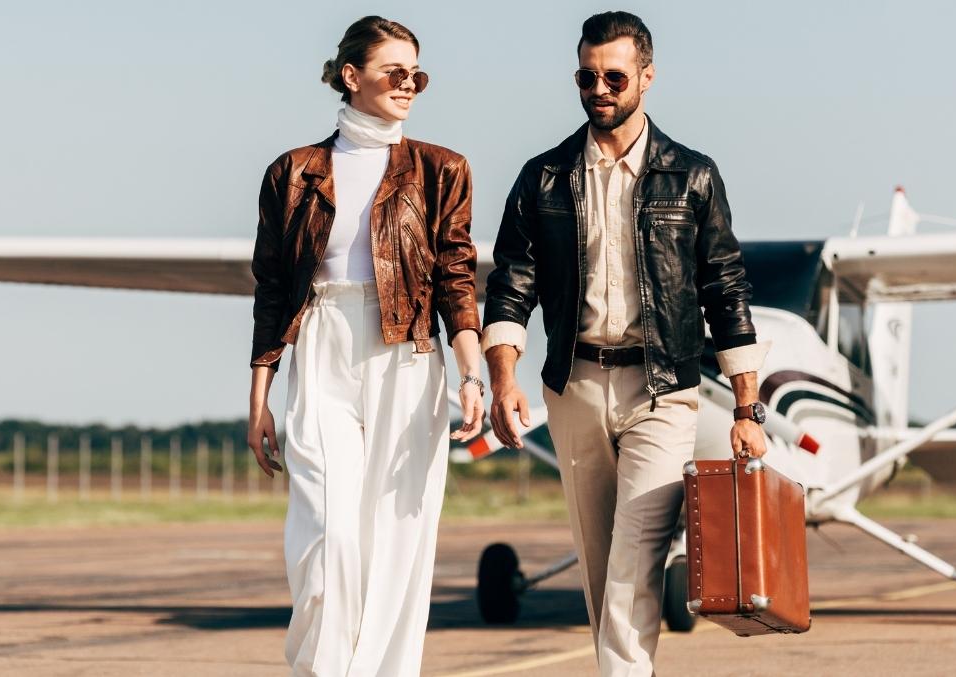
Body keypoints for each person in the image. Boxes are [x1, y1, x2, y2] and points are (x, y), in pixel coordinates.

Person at [482, 11, 770, 675]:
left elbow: (725, 288)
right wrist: (503, 381)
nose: (599, 88)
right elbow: (511, 287)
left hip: (663, 389)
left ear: (647, 77)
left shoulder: (693, 176)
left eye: (614, 76)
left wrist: (748, 409)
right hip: (574, 386)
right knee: (598, 560)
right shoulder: (543, 177)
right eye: (587, 76)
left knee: (636, 554)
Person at [245, 15, 484, 677]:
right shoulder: (293, 173)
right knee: (328, 527)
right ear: (352, 77)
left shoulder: (443, 170)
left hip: (409, 356)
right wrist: (260, 394)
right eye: (394, 73)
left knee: (398, 538)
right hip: (323, 345)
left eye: (418, 75)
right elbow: (270, 289)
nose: (408, 85)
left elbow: (456, 277)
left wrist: (471, 374)